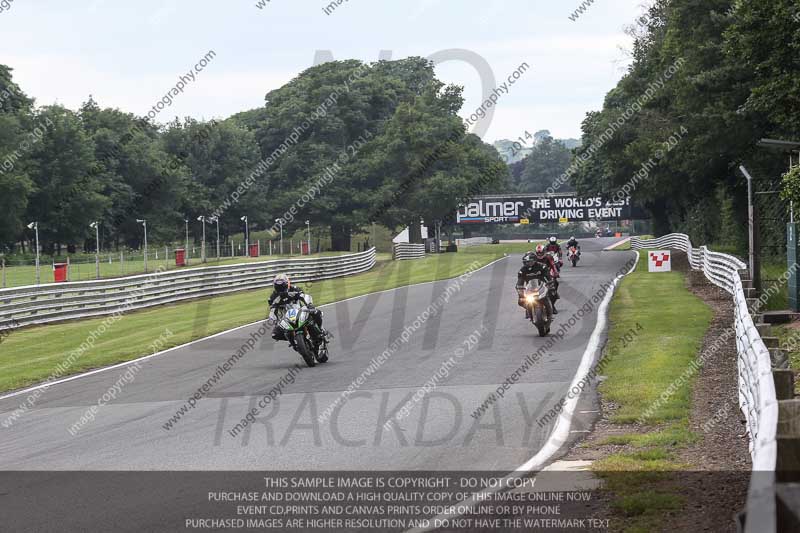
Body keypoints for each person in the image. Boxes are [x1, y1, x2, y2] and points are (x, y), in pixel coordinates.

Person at [268, 274, 330, 342]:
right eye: (278, 287)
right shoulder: (272, 297)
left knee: (316, 312)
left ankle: (321, 329)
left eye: (282, 287)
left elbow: (304, 296)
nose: (281, 289)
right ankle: (292, 340)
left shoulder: (295, 289)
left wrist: (309, 304)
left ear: (287, 284)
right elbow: (273, 311)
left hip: (301, 310)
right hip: (286, 317)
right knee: (275, 334)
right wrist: (275, 320)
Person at [517, 245, 560, 315]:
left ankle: (552, 306)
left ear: (534, 260)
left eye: (530, 262)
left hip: (542, 284)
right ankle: (528, 308)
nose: (528, 263)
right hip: (530, 286)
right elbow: (520, 281)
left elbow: (548, 274)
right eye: (526, 262)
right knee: (520, 300)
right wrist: (519, 289)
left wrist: (550, 282)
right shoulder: (522, 270)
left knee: (553, 293)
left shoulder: (542, 266)